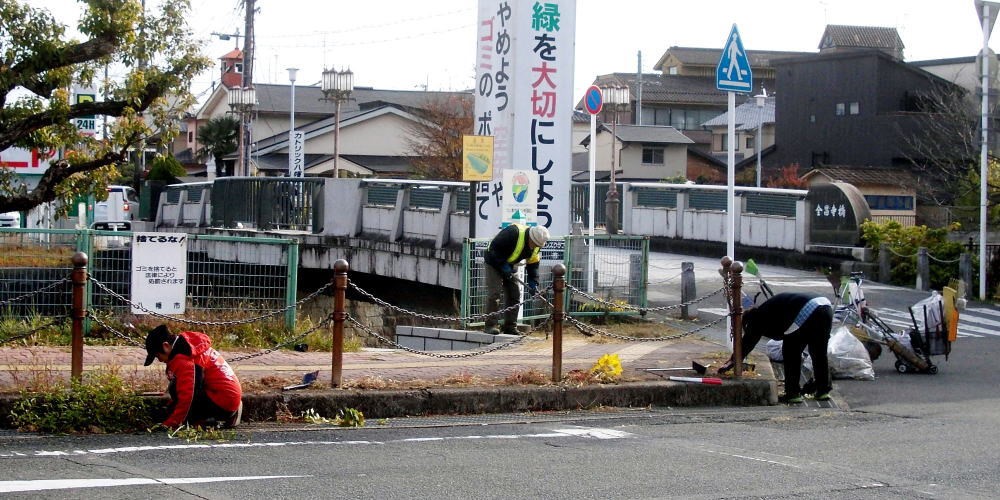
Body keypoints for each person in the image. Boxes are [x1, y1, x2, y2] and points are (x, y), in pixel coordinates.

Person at [719, 291, 833, 404]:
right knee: (819, 352)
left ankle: (793, 394)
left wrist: (733, 360)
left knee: (791, 352)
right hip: (825, 307)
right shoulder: (769, 310)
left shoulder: (758, 318)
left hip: (807, 309)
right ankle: (823, 391)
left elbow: (748, 342)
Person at [144, 324, 243, 429]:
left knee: (175, 391)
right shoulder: (190, 345)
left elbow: (188, 396)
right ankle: (229, 412)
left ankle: (208, 420)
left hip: (223, 402)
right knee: (175, 395)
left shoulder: (184, 358)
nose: (160, 360)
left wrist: (171, 423)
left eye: (158, 356)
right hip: (229, 397)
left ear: (166, 346)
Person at [482, 223, 550, 335]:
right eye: (534, 243)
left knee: (514, 295)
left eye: (537, 245)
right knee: (494, 294)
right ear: (530, 237)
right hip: (493, 262)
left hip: (510, 265)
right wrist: (503, 265)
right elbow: (494, 249)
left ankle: (510, 327)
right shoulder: (513, 233)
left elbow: (533, 265)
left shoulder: (536, 246)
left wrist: (533, 282)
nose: (534, 246)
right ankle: (490, 325)